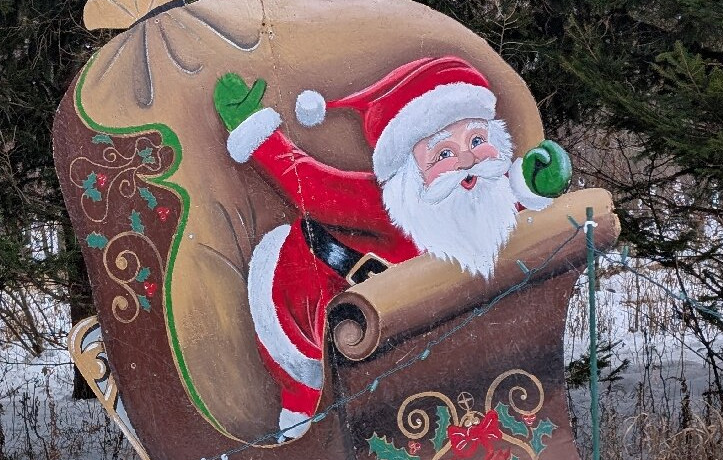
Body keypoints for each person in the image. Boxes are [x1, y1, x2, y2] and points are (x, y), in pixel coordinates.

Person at [213, 57, 572, 438]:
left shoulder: (474, 194)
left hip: (403, 312)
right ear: (409, 170)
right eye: (444, 154)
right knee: (312, 368)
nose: (468, 161)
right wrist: (256, 131)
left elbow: (492, 211)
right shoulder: (382, 205)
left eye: (477, 141)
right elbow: (310, 186)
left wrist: (531, 184)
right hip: (315, 289)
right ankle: (301, 415)